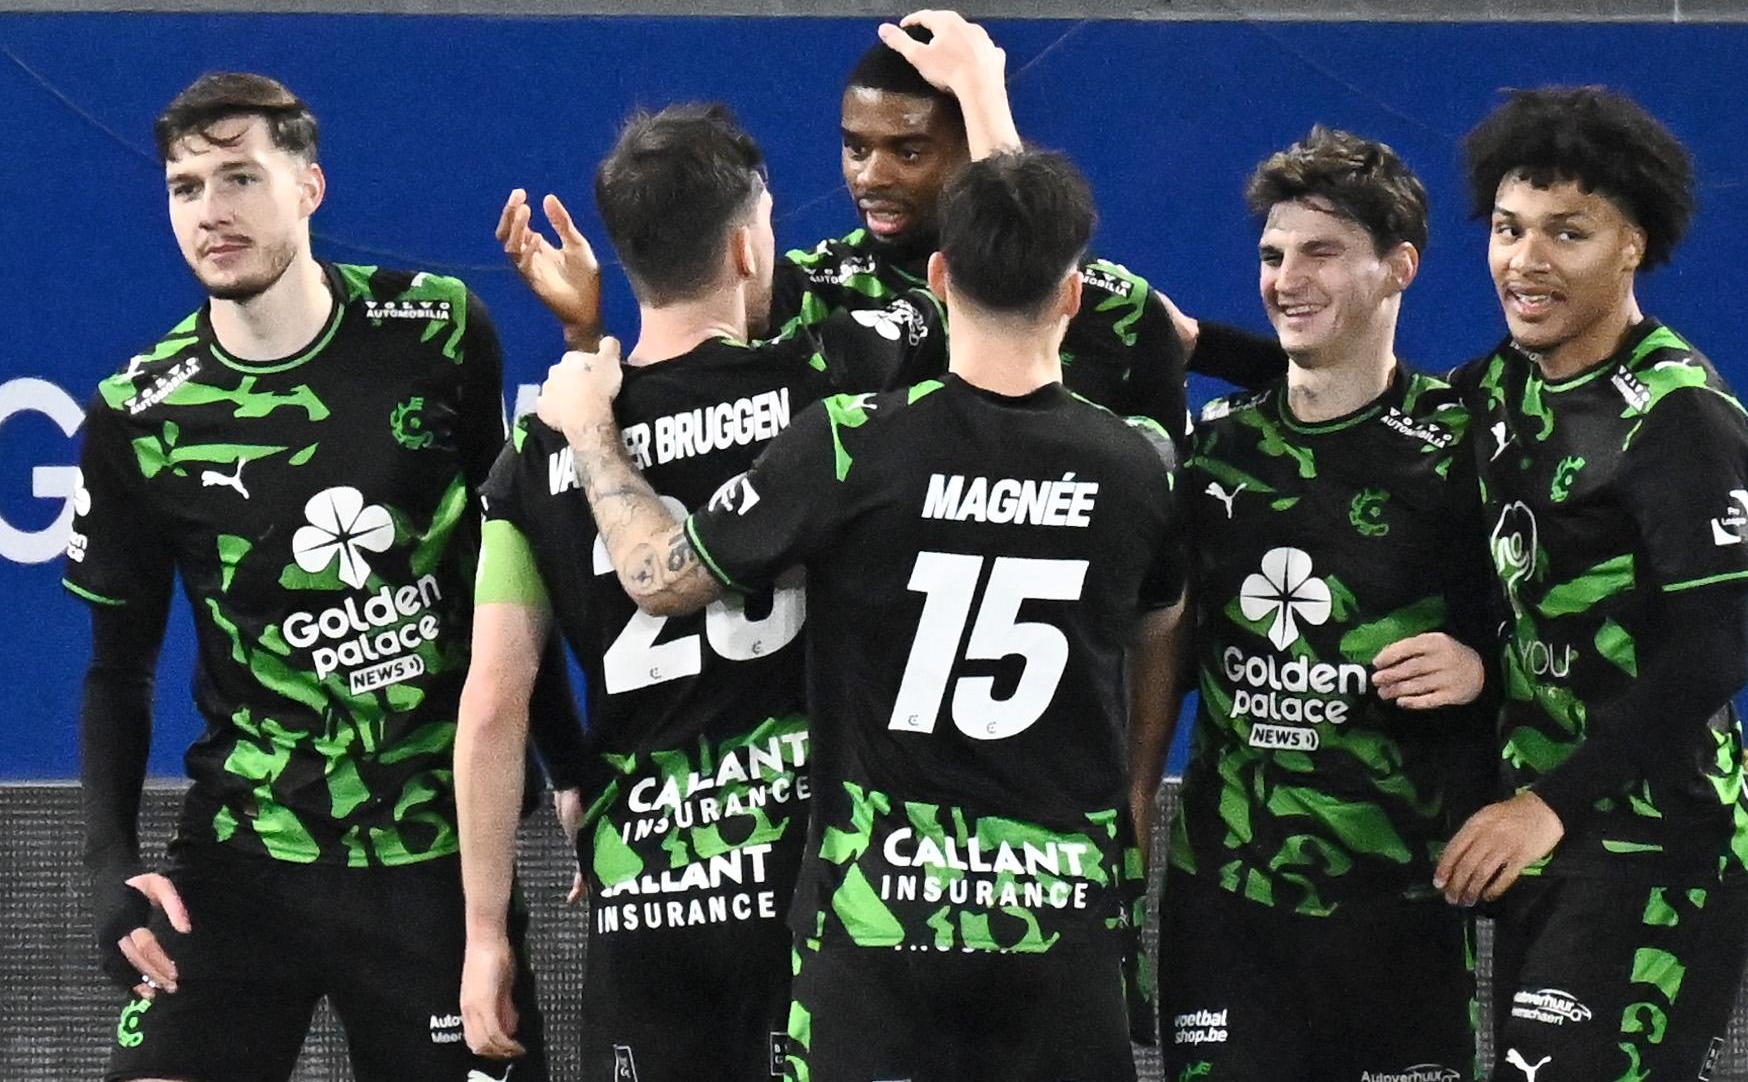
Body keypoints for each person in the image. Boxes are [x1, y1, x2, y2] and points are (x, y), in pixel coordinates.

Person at [535, 149, 1188, 1082]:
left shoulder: (852, 440)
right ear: (1073, 294)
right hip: (1059, 924)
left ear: (937, 276)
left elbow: (656, 577)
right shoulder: (1139, 464)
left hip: (878, 927)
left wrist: (590, 425)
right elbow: (1159, 625)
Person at [63, 71, 569, 1082]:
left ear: (309, 186)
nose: (213, 212)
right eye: (186, 186)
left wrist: (572, 769)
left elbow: (507, 575)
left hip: (434, 862)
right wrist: (107, 866)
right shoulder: (137, 413)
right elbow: (118, 668)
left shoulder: (438, 331)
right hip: (244, 862)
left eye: (241, 177)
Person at [455, 103, 945, 1080]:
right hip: (822, 893)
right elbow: (965, 306)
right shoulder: (829, 382)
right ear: (742, 244)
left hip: (650, 904)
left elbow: (495, 702)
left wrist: (482, 936)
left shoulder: (543, 442)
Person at [1152, 127, 1496, 1081]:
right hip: (1227, 904)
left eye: (1320, 252)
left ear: (1400, 268)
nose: (1285, 278)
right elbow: (1159, 649)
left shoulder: (1465, 445)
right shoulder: (1212, 445)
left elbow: (1565, 632)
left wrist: (1483, 664)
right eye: (1271, 254)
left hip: (1404, 909)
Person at [1432, 86, 1748, 1081]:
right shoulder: (1498, 386)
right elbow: (1371, 427)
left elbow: (1720, 644)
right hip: (1541, 850)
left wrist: (1547, 804)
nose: (1523, 261)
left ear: (1632, 243)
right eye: (1505, 229)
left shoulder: (1677, 414)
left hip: (1656, 851)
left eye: (1565, 233)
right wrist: (1203, 349)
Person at [501, 10, 1190, 442]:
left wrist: (983, 93)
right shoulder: (809, 287)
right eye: (856, 147)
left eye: (909, 151)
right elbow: (678, 416)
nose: (870, 175)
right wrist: (583, 336)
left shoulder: (1113, 308)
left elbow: (1164, 564)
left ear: (968, 142)